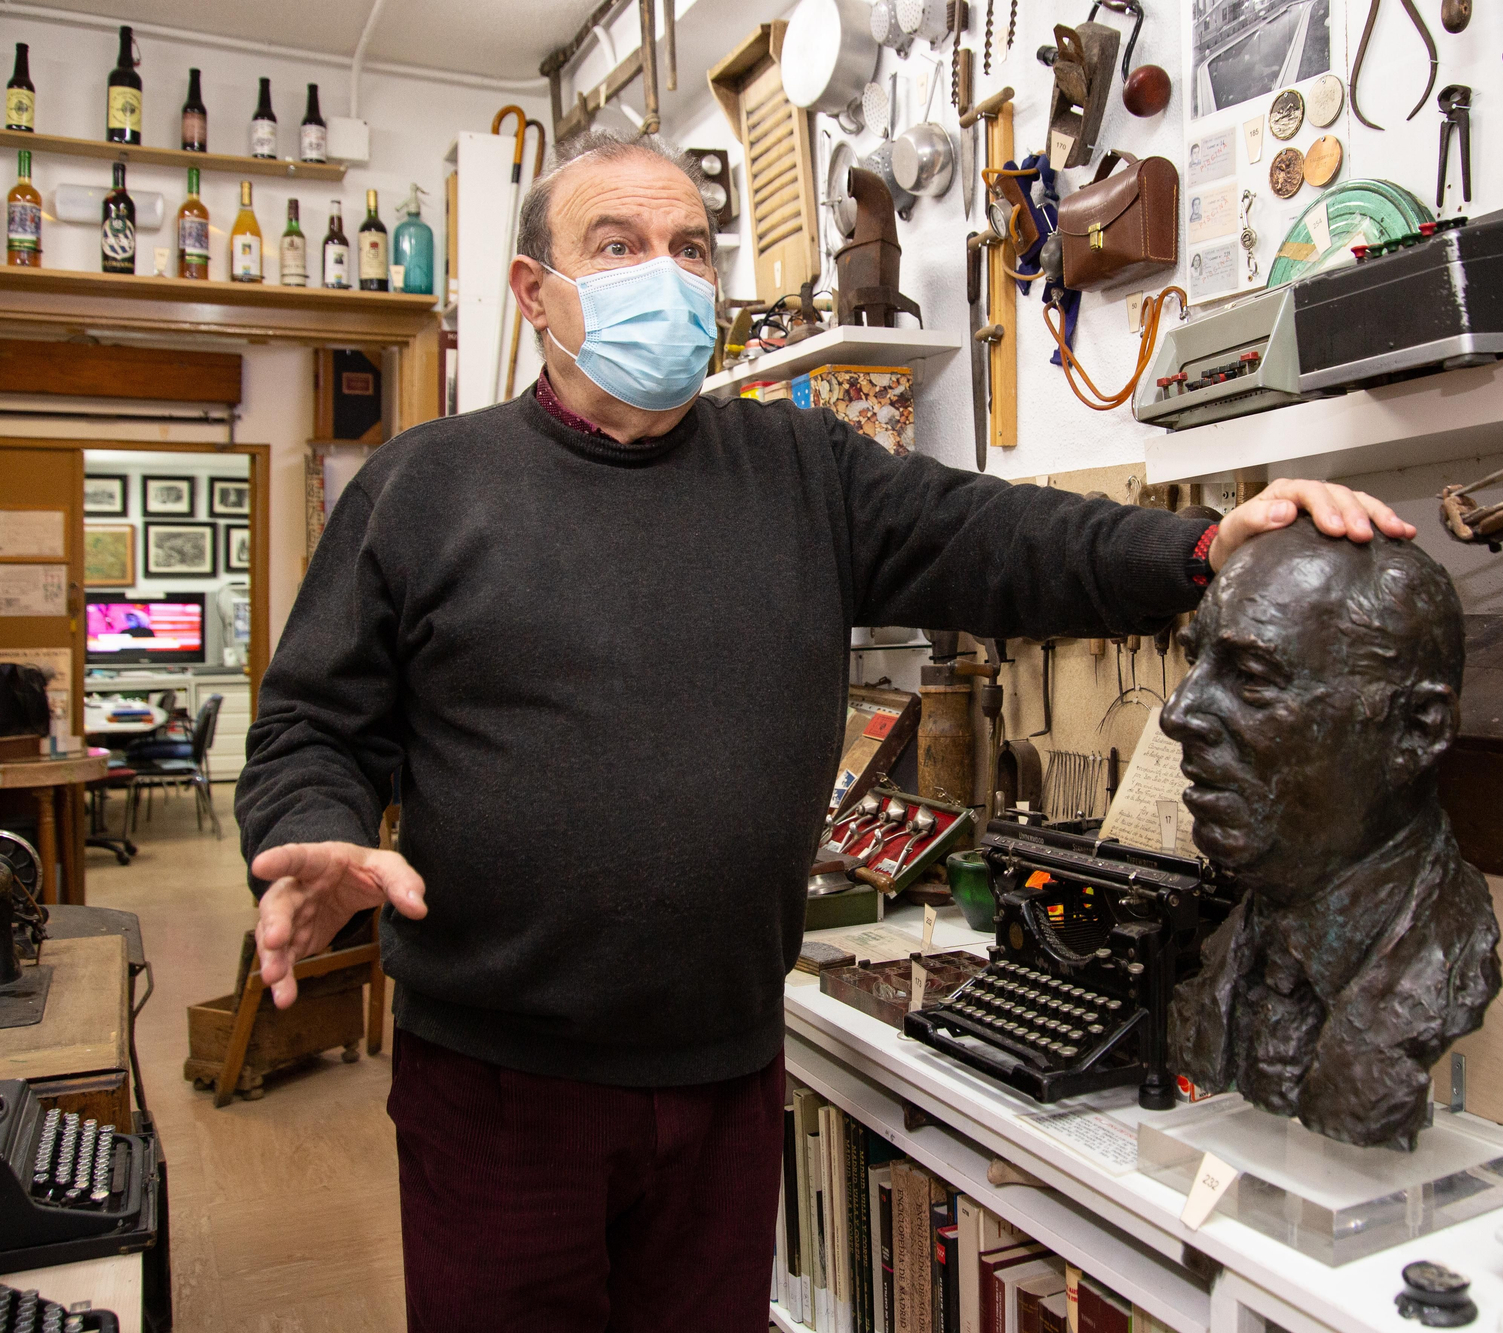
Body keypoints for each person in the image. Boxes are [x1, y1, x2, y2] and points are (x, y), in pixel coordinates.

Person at [235, 130, 1416, 1331]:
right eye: (619, 245)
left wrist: (1206, 543)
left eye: (689, 248)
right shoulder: (425, 486)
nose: (667, 272)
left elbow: (1001, 540)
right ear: (536, 294)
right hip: (498, 1091)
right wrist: (313, 830)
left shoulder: (802, 471)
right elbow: (310, 729)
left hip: (723, 1076)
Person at [1162, 522, 1500, 1151]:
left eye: (1252, 678)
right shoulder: (1233, 949)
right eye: (1194, 661)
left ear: (1417, 731)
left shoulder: (1435, 969)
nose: (1177, 713)